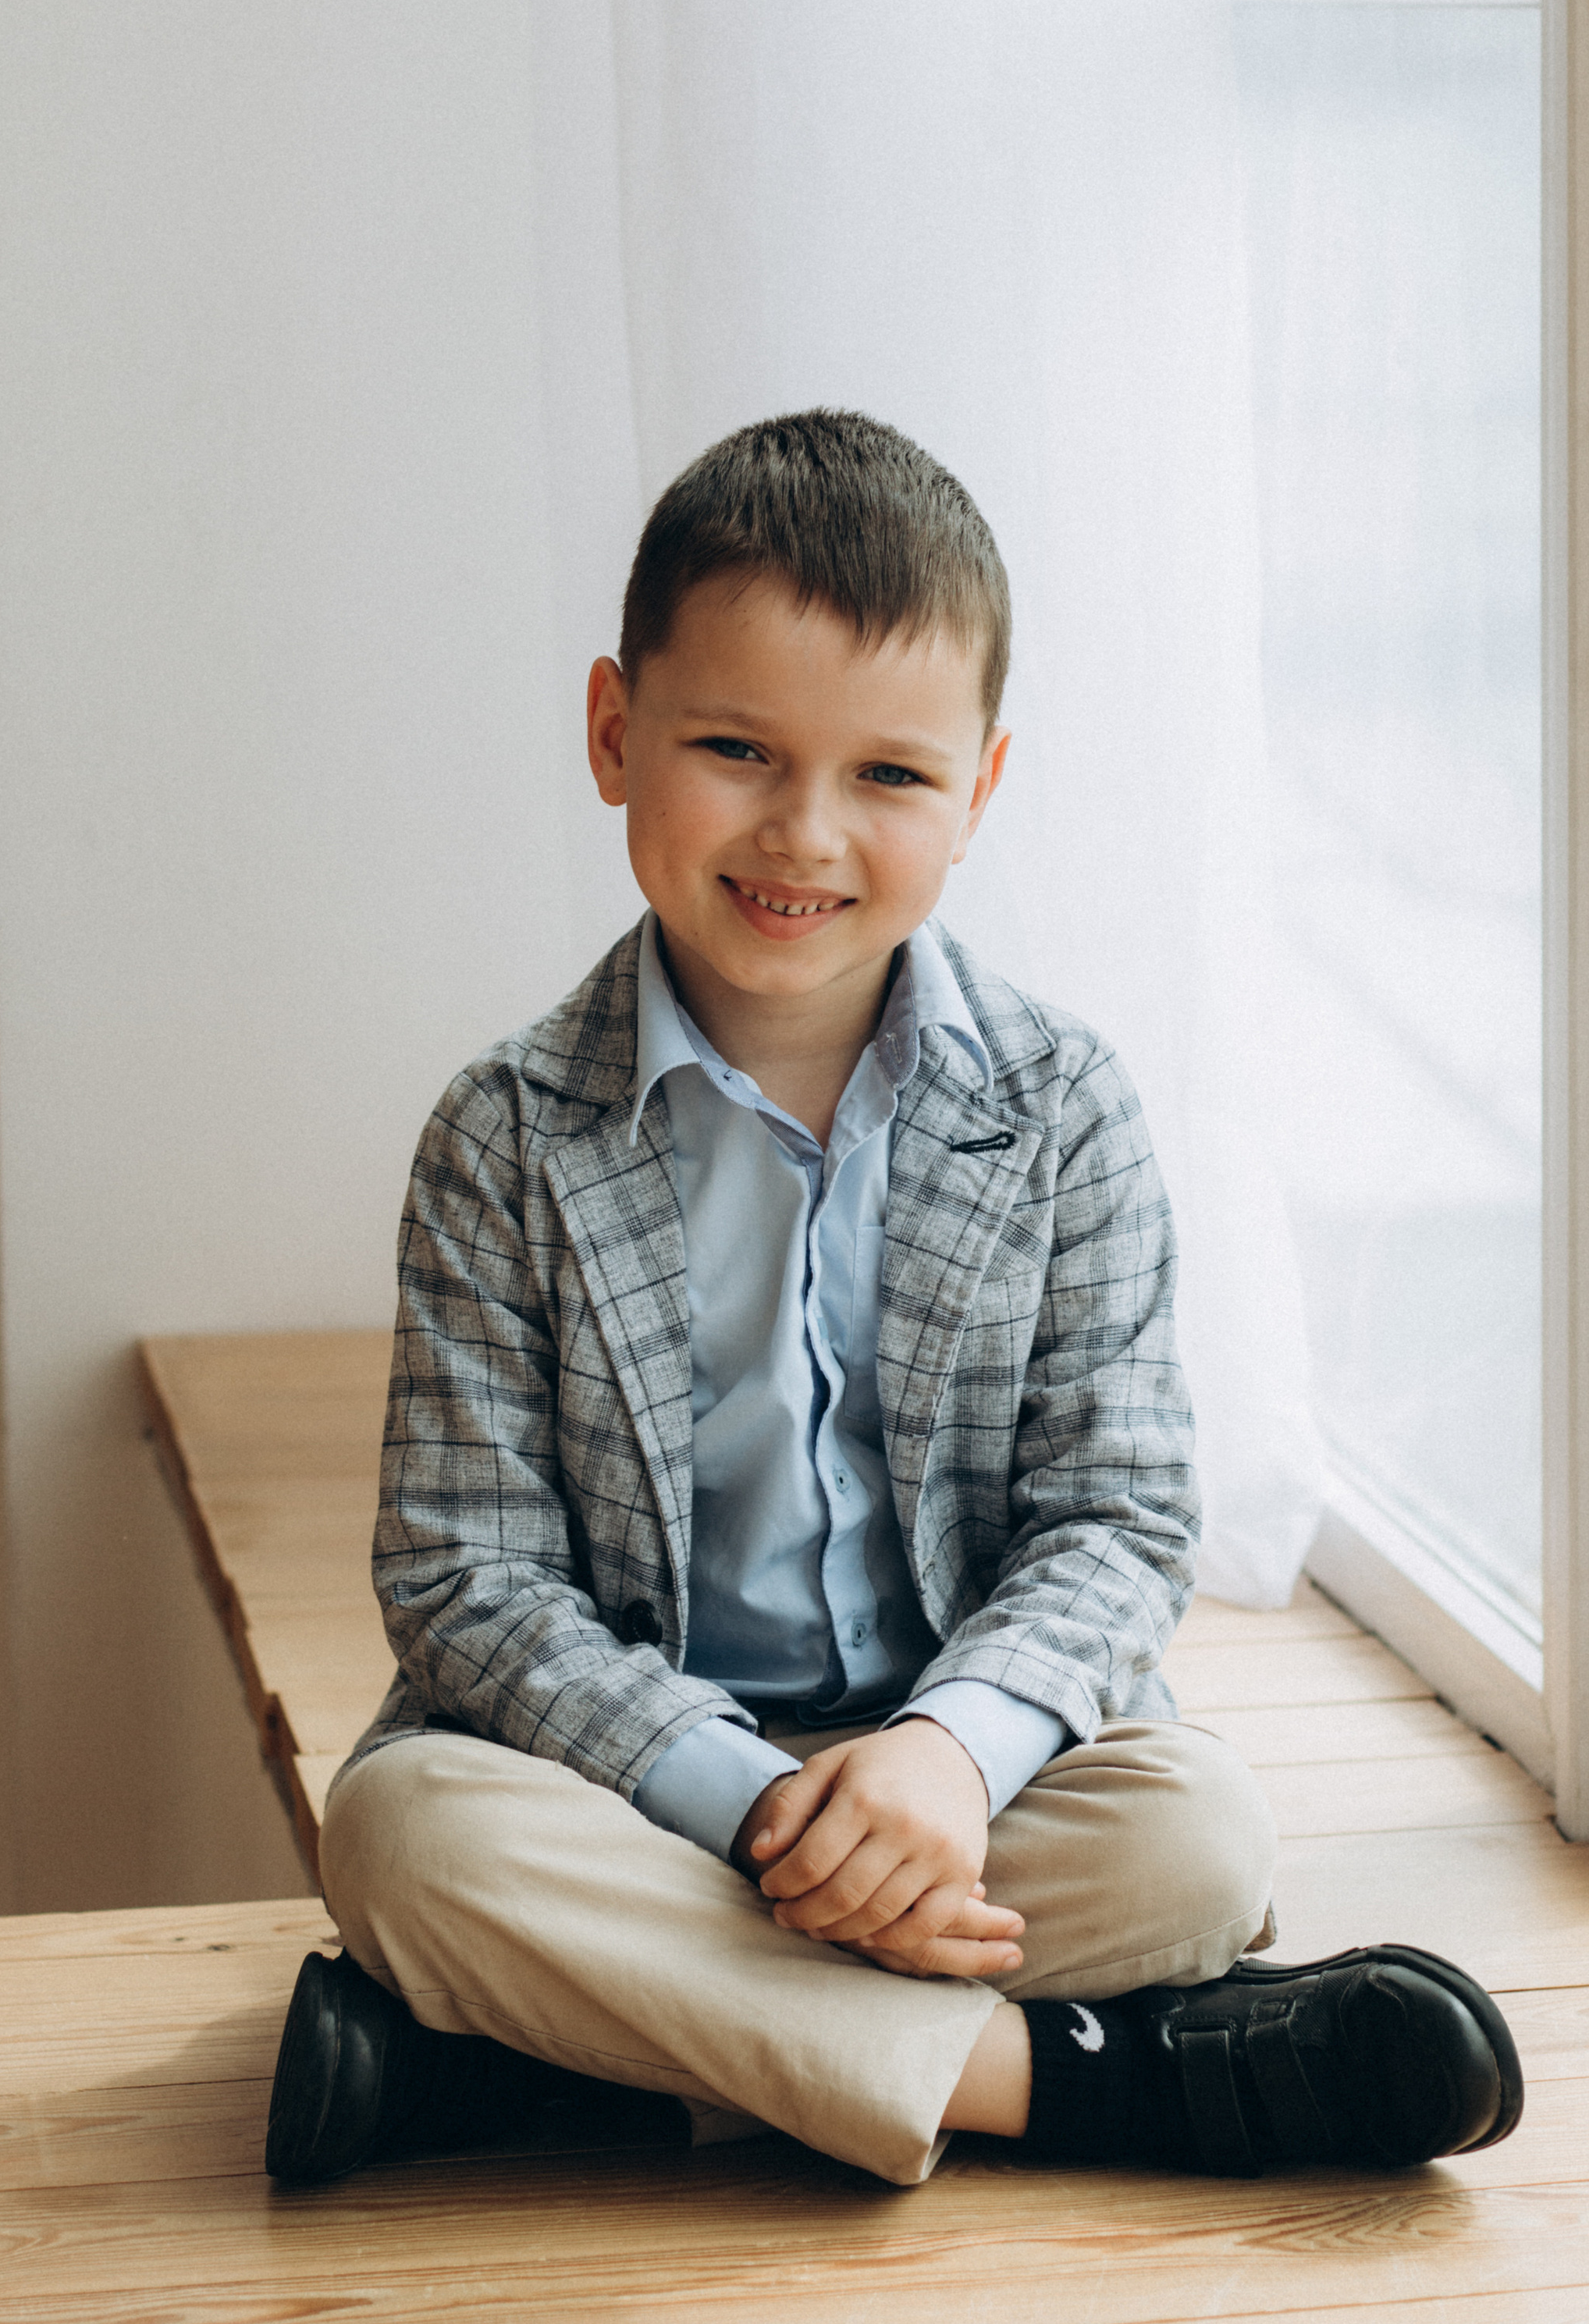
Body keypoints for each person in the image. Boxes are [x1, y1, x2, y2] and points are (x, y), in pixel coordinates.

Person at [265, 408, 1522, 2191]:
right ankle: (1085, 2083)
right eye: (735, 748)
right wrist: (748, 1802)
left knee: (1194, 1843)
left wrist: (941, 1756)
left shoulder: (1060, 1105)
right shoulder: (504, 1133)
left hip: (965, 1777)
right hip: (638, 1780)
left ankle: (561, 2068)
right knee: (400, 1839)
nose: (804, 831)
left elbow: (1117, 1514)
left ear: (980, 792)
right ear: (616, 734)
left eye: (889, 777)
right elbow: (467, 1578)